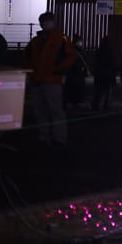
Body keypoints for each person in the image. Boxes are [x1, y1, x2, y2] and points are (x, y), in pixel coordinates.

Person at [24, 12, 79, 148]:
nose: (46, 23)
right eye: (44, 21)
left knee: (53, 110)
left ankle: (57, 138)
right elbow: (26, 57)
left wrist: (60, 69)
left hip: (50, 79)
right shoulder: (38, 40)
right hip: (40, 79)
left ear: (52, 22)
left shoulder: (59, 38)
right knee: (41, 110)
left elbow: (71, 56)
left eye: (48, 21)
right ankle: (47, 136)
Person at [92, 34, 120, 111]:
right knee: (106, 90)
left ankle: (96, 105)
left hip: (100, 73)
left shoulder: (99, 51)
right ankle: (105, 105)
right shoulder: (110, 51)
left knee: (98, 90)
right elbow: (113, 62)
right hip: (107, 74)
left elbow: (96, 62)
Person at [64, 35, 89, 108]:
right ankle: (74, 102)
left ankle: (74, 102)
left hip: (75, 74)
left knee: (75, 88)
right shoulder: (77, 51)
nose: (80, 43)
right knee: (75, 88)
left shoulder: (74, 50)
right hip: (76, 73)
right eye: (79, 41)